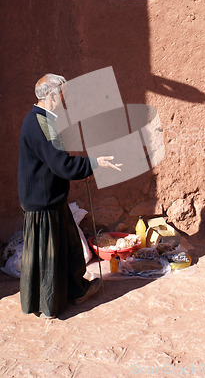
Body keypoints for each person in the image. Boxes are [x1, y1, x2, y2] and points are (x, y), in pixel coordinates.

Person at [18, 73, 122, 319]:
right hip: (43, 202)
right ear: (53, 96)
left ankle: (75, 291)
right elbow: (63, 166)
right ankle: (50, 305)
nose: (67, 101)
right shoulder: (41, 124)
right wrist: (95, 163)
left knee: (69, 250)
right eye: (64, 95)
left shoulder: (41, 120)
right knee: (50, 259)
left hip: (49, 199)